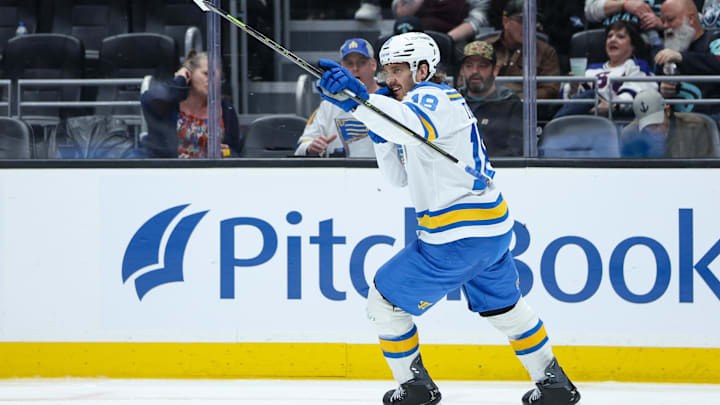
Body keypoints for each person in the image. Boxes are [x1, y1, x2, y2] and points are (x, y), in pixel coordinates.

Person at [314, 32, 580, 405]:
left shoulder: (431, 97)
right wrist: (372, 120)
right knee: (505, 307)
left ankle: (415, 387)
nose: (391, 79)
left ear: (423, 69)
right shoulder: (422, 109)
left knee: (384, 303)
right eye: (388, 70)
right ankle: (553, 383)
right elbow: (397, 178)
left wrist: (359, 100)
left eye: (398, 70)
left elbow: (403, 122)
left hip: (455, 237)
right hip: (491, 232)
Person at [140, 51, 242, 158]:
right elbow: (147, 99)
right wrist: (179, 81)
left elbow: (234, 152)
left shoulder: (225, 108)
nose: (213, 81)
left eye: (218, 77)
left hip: (210, 172)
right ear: (190, 74)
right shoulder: (171, 103)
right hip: (171, 170)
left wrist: (226, 153)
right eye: (206, 74)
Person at [294, 39, 382, 157]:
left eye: (361, 62)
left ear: (373, 65)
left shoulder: (390, 98)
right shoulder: (329, 104)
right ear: (341, 66)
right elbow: (302, 144)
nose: (355, 68)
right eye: (349, 63)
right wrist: (311, 146)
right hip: (338, 172)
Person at [555, 20, 657, 118]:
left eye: (620, 37)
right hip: (584, 117)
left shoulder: (637, 66)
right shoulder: (591, 68)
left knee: (591, 96)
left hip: (616, 119)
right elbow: (567, 101)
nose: (612, 39)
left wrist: (613, 106)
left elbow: (640, 93)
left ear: (633, 45)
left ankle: (552, 129)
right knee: (588, 96)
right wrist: (573, 89)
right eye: (609, 36)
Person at [654, 0, 720, 121]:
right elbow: (655, 84)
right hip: (676, 125)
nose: (665, 26)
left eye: (670, 20)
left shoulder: (715, 39)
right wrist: (662, 89)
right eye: (663, 21)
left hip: (711, 121)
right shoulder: (667, 51)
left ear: (690, 19)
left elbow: (717, 63)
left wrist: (682, 58)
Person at [486, 0, 562, 101]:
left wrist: (514, 98)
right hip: (489, 109)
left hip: (530, 113)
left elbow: (551, 90)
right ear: (506, 21)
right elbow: (464, 82)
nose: (529, 26)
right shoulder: (486, 47)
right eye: (522, 21)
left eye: (533, 20)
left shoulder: (546, 52)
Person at [459, 40, 523, 156]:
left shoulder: (510, 104)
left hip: (502, 170)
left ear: (495, 70)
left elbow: (516, 150)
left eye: (482, 66)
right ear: (462, 70)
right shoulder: (454, 102)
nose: (475, 71)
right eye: (469, 66)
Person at [621, 88, 717, 157]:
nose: (655, 131)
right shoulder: (629, 135)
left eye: (657, 124)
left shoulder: (695, 127)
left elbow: (705, 169)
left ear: (667, 111)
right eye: (649, 126)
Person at [389, 0, 492, 42]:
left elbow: (478, 19)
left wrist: (445, 40)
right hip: (413, 37)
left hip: (454, 38)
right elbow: (401, 13)